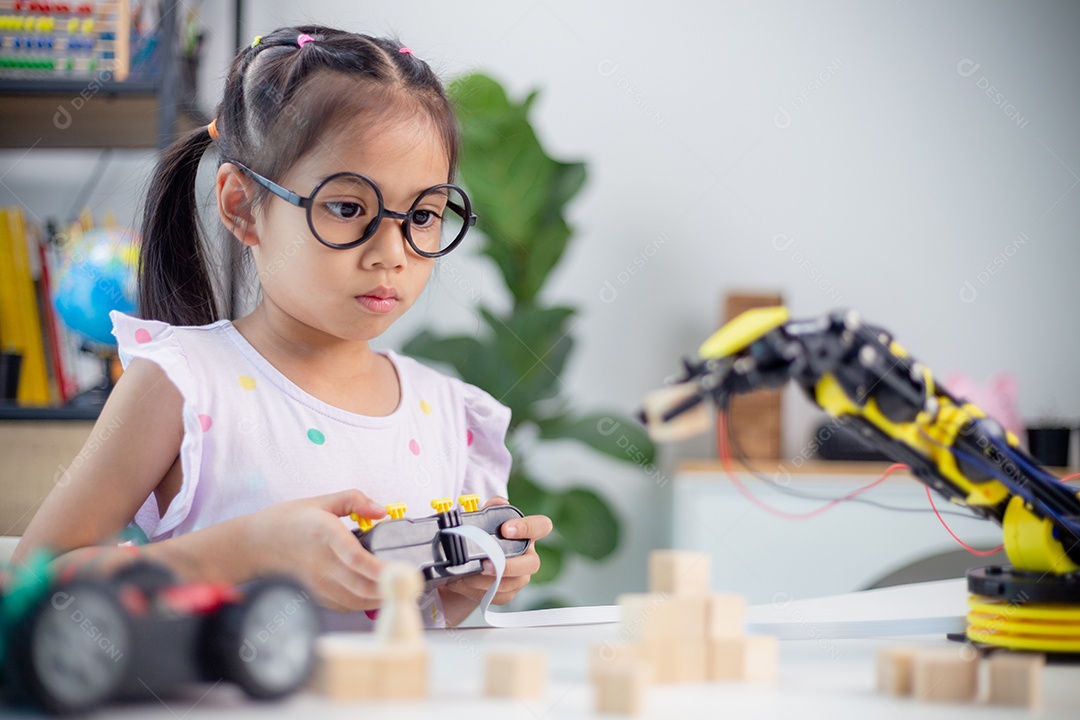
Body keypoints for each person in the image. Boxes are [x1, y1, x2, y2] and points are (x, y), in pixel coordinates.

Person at [15, 25, 552, 628]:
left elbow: (422, 625)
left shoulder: (452, 415)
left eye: (423, 215)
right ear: (243, 206)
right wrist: (250, 551)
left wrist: (470, 582)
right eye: (349, 208)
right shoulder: (181, 386)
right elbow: (33, 586)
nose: (392, 252)